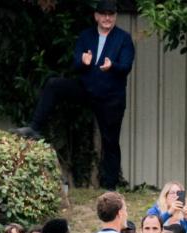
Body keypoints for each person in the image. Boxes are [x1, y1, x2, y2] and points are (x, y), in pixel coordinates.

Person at [13, 0, 135, 190]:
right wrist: (83, 62)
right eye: (103, 14)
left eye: (111, 14)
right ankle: (34, 128)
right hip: (87, 89)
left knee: (110, 142)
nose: (107, 18)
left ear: (115, 17)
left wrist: (113, 66)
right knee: (54, 85)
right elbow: (75, 64)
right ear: (96, 16)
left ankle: (110, 188)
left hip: (111, 97)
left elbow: (126, 66)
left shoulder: (123, 39)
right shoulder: (87, 36)